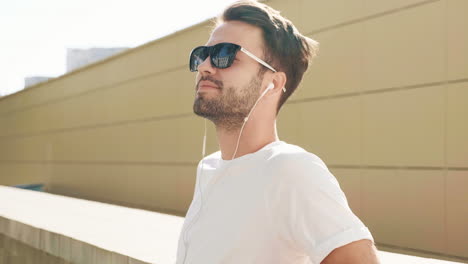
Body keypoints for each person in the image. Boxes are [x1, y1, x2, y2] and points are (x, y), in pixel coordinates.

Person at [176, 1, 380, 263]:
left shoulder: (290, 169)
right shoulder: (209, 167)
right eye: (202, 54)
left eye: (225, 54)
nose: (205, 66)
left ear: (272, 83)